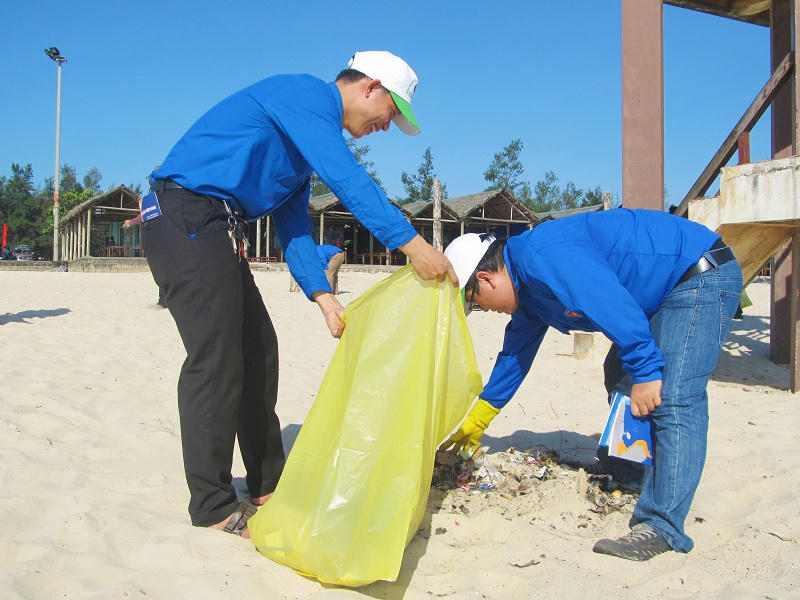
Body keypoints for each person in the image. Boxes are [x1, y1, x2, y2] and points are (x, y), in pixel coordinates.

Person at [141, 51, 456, 538]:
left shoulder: (301, 147)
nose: (386, 127)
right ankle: (211, 505)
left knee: (259, 350)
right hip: (186, 216)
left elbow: (293, 228)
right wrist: (412, 245)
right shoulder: (306, 95)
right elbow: (348, 179)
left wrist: (323, 296)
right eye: (391, 113)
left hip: (215, 226)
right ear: (371, 87)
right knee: (216, 357)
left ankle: (267, 484)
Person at [441, 208, 742, 561]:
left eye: (475, 302)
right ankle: (627, 472)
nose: (484, 309)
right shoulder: (527, 288)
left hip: (696, 274)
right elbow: (515, 355)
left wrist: (647, 371)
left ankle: (663, 527)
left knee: (674, 397)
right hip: (660, 289)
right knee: (618, 373)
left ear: (486, 278)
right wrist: (481, 415)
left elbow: (607, 301)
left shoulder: (543, 257)